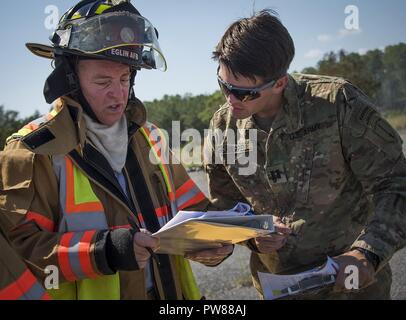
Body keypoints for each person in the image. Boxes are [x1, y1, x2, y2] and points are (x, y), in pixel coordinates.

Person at [0, 0, 232, 300]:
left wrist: (225, 238)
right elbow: (22, 250)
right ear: (69, 80)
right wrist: (106, 251)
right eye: (102, 81)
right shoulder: (32, 152)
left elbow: (194, 213)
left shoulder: (151, 138)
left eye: (125, 79)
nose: (118, 93)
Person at [203, 9, 406, 299]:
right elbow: (225, 203)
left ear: (280, 83)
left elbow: (396, 185)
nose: (230, 100)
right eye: (224, 85)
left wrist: (368, 252)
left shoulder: (338, 105)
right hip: (278, 289)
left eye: (245, 93)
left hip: (351, 288)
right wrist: (253, 235)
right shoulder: (223, 127)